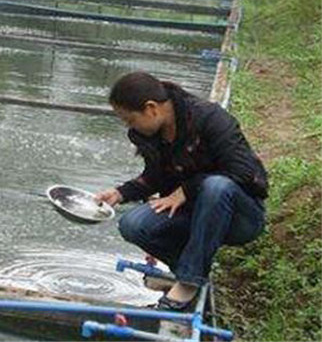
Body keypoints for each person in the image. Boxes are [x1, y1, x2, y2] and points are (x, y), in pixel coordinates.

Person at [95, 71, 268, 311]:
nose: (129, 126)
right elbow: (156, 176)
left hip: (239, 217)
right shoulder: (151, 134)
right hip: (194, 214)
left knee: (215, 186)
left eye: (130, 120)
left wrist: (187, 190)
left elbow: (244, 173)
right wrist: (121, 193)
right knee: (133, 224)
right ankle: (188, 273)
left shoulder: (209, 118)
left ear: (151, 108)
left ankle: (188, 283)